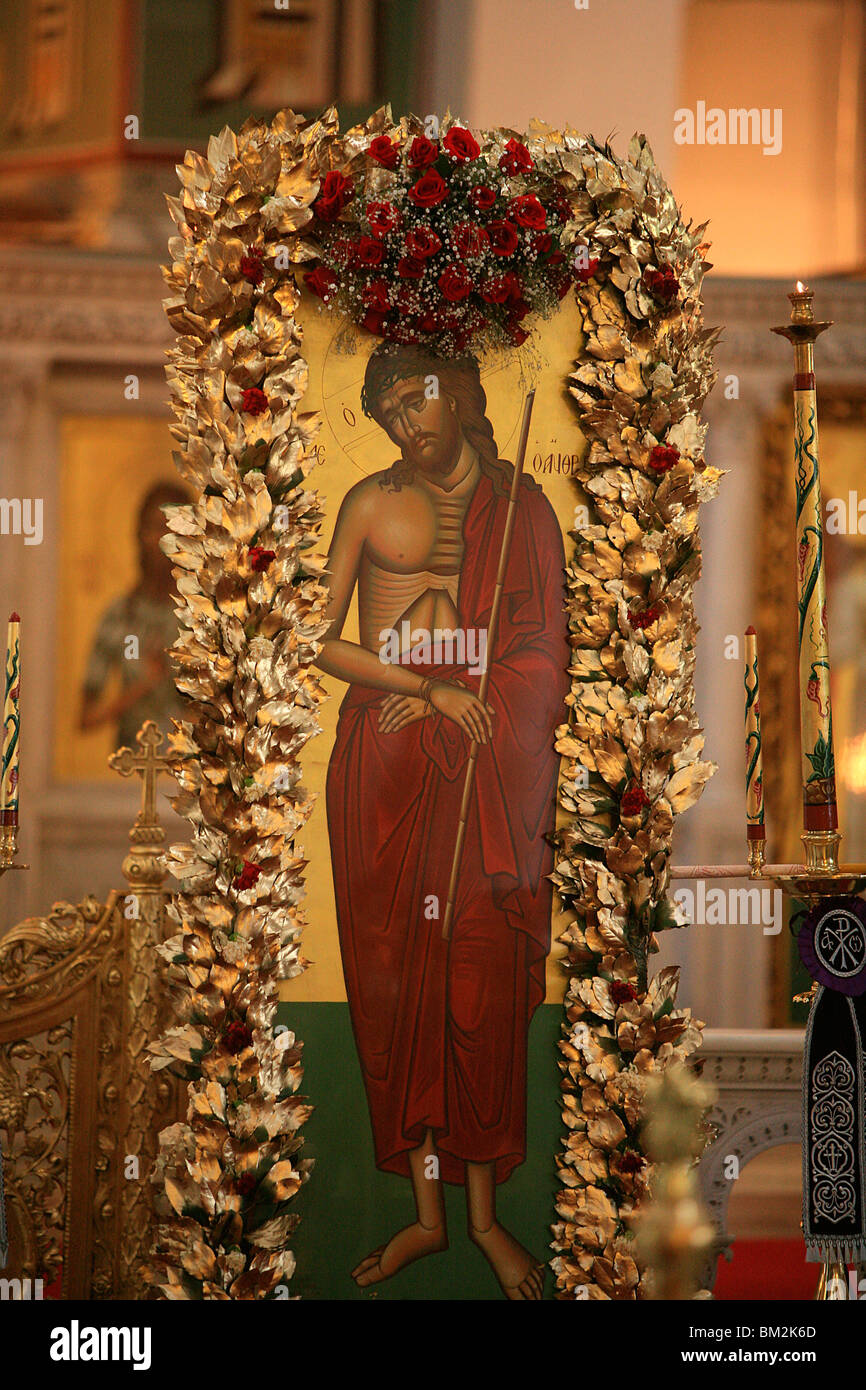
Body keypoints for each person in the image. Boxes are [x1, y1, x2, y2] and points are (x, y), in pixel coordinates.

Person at [320, 342, 569, 1299]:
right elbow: (320, 637)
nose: (405, 423)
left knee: (478, 986)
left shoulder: (524, 514)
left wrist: (465, 695)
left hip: (487, 782)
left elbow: (543, 657)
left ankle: (483, 1221)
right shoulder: (369, 503)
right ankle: (424, 1222)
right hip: (384, 771)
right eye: (385, 411)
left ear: (459, 396)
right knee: (395, 997)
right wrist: (425, 688)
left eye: (416, 401)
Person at [79, 482, 188, 750]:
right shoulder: (120, 616)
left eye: (173, 528)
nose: (162, 540)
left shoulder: (202, 617)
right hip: (129, 767)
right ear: (140, 534)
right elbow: (86, 717)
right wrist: (141, 687)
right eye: (155, 527)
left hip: (189, 773)